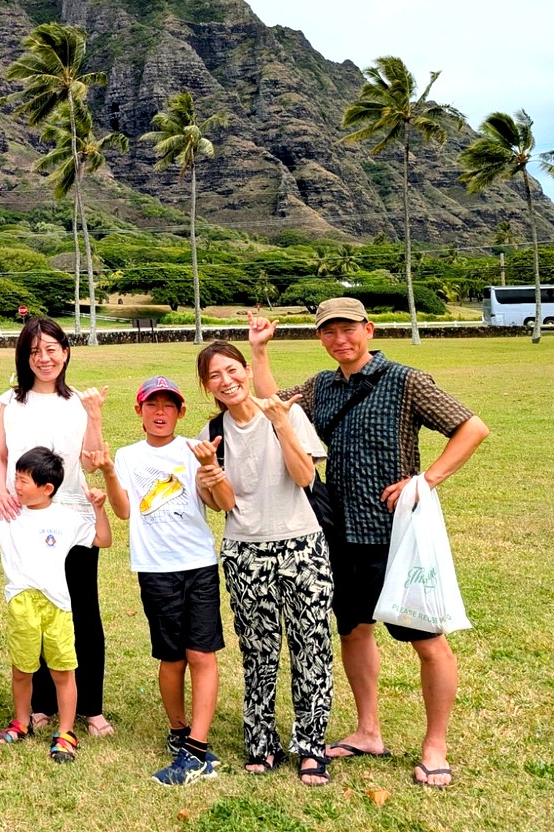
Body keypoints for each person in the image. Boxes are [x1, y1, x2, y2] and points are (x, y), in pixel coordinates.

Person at [248, 299, 490, 788]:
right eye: (329, 332)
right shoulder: (322, 386)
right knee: (354, 631)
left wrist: (426, 479)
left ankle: (435, 744)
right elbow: (273, 408)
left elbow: (472, 427)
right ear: (321, 338)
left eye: (349, 329)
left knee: (427, 639)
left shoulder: (405, 380)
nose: (340, 339)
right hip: (338, 534)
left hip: (394, 534)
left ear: (368, 329)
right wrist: (259, 354)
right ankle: (368, 730)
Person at [196, 340, 335, 785]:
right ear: (207, 386)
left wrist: (281, 425)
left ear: (246, 371)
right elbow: (224, 505)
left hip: (301, 546)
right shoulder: (212, 432)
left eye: (233, 370)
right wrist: (212, 477)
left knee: (310, 646)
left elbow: (305, 477)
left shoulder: (287, 413)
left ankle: (311, 747)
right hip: (245, 552)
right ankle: (261, 741)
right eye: (215, 375)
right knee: (258, 650)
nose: (227, 381)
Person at [0, 316, 113, 737]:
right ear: (25, 357)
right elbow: (1, 455)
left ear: (65, 352)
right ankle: (41, 703)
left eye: (51, 349)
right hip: (25, 516)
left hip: (73, 517)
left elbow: (94, 458)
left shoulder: (79, 400)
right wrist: (4, 492)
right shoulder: (11, 401)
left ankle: (91, 707)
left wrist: (94, 415)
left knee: (81, 610)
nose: (44, 359)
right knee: (34, 608)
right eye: (34, 351)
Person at [109, 375, 225, 786]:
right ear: (139, 411)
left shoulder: (194, 451)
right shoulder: (126, 456)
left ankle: (196, 747)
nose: (160, 412)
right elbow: (123, 511)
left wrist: (210, 468)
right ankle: (178, 732)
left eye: (169, 405)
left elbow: (218, 503)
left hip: (198, 564)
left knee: (202, 655)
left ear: (181, 412)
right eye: (152, 405)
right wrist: (107, 469)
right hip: (155, 568)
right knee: (171, 657)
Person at [0, 447, 112, 765]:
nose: (16, 486)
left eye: (23, 481)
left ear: (47, 488)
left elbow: (102, 540)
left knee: (63, 670)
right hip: (21, 602)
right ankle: (21, 722)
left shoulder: (66, 518)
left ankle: (65, 733)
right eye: (16, 478)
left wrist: (99, 509)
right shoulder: (7, 514)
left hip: (57, 605)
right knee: (22, 669)